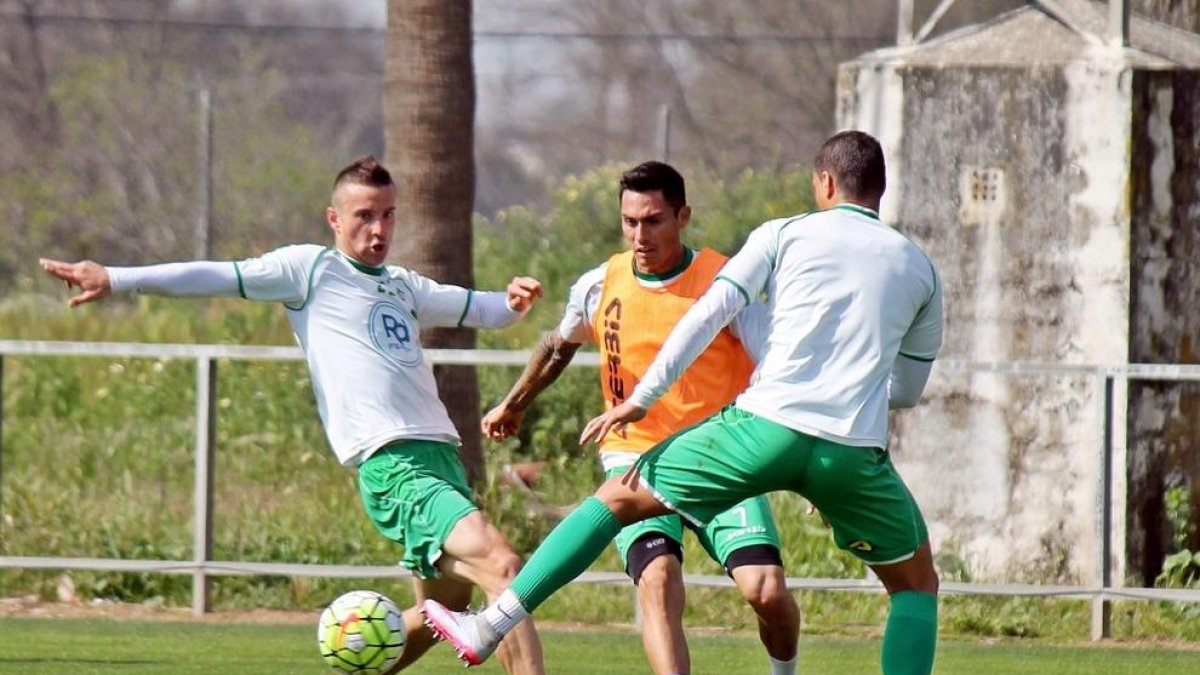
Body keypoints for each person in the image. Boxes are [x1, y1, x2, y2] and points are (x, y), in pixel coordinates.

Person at [423, 130, 944, 675]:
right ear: (880, 189)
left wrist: (641, 398)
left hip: (761, 431)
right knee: (915, 586)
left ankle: (488, 625)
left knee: (617, 502)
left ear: (826, 182)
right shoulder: (921, 269)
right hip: (851, 452)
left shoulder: (783, 235)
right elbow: (904, 391)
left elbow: (707, 313)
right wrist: (839, 441)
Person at [40, 156, 547, 675]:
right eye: (364, 215)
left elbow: (483, 309)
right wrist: (116, 278)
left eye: (389, 215)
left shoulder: (402, 285)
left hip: (441, 460)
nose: (379, 229)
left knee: (450, 611)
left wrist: (513, 300)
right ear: (334, 219)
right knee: (504, 567)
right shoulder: (310, 271)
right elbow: (214, 276)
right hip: (396, 466)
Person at [480, 161, 800, 675]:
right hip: (634, 455)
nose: (639, 234)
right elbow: (559, 346)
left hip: (720, 453)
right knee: (657, 580)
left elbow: (777, 367)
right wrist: (514, 403)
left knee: (765, 591)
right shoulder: (600, 283)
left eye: (653, 221)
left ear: (682, 216)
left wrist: (807, 465)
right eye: (629, 221)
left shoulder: (724, 283)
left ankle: (785, 671)